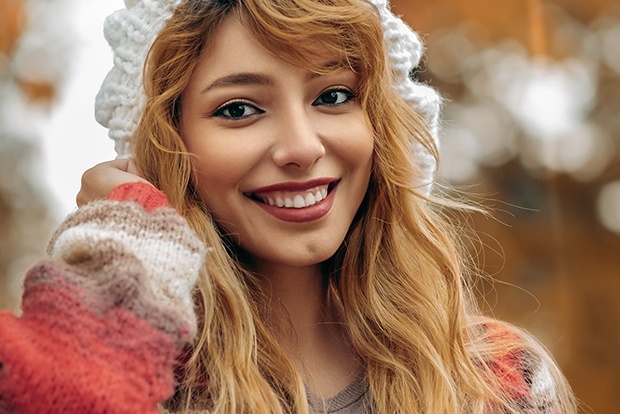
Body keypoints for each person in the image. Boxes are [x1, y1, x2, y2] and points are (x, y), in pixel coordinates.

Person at [0, 0, 577, 413]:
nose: (302, 147)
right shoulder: (136, 385)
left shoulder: (501, 383)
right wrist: (116, 267)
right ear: (164, 147)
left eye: (333, 96)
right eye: (239, 109)